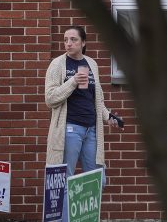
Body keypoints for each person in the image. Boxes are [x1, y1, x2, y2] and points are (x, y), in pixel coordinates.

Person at [44, 26, 119, 221]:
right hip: (69, 129)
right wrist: (72, 82)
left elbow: (97, 99)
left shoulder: (91, 64)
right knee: (66, 180)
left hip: (92, 130)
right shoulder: (58, 64)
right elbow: (50, 98)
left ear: (83, 43)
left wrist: (108, 116)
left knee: (95, 180)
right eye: (66, 39)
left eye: (73, 39)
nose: (68, 43)